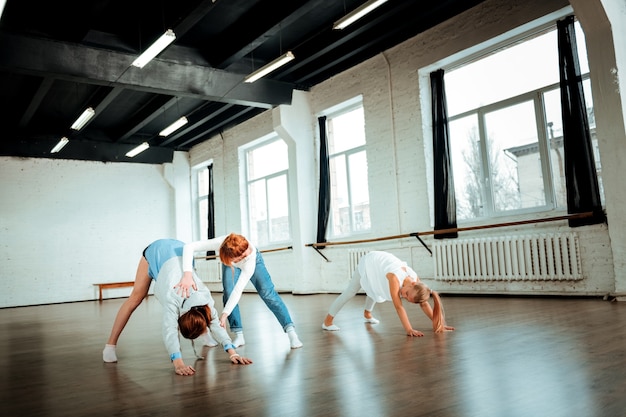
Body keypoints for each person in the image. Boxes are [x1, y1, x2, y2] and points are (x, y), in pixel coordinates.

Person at [102, 239, 252, 376]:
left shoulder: (204, 296)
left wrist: (233, 353)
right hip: (158, 251)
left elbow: (216, 324)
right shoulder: (172, 298)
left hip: (182, 251)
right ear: (178, 319)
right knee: (136, 298)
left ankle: (202, 331)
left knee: (204, 313)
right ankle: (110, 345)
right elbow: (170, 331)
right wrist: (177, 362)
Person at [177, 233, 303, 349]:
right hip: (229, 260)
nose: (245, 256)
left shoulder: (250, 259)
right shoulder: (222, 243)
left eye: (245, 253)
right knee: (228, 292)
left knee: (267, 293)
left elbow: (238, 291)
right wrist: (187, 274)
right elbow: (189, 247)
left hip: (255, 261)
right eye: (241, 257)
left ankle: (291, 332)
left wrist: (225, 313)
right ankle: (239, 335)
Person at [322, 250, 454, 336]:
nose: (404, 297)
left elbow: (425, 305)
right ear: (412, 284)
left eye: (409, 299)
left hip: (381, 265)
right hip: (370, 261)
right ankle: (327, 322)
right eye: (407, 294)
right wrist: (409, 329)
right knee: (351, 291)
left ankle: (367, 314)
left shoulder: (416, 282)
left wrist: (439, 323)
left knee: (375, 289)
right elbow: (398, 307)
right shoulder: (395, 278)